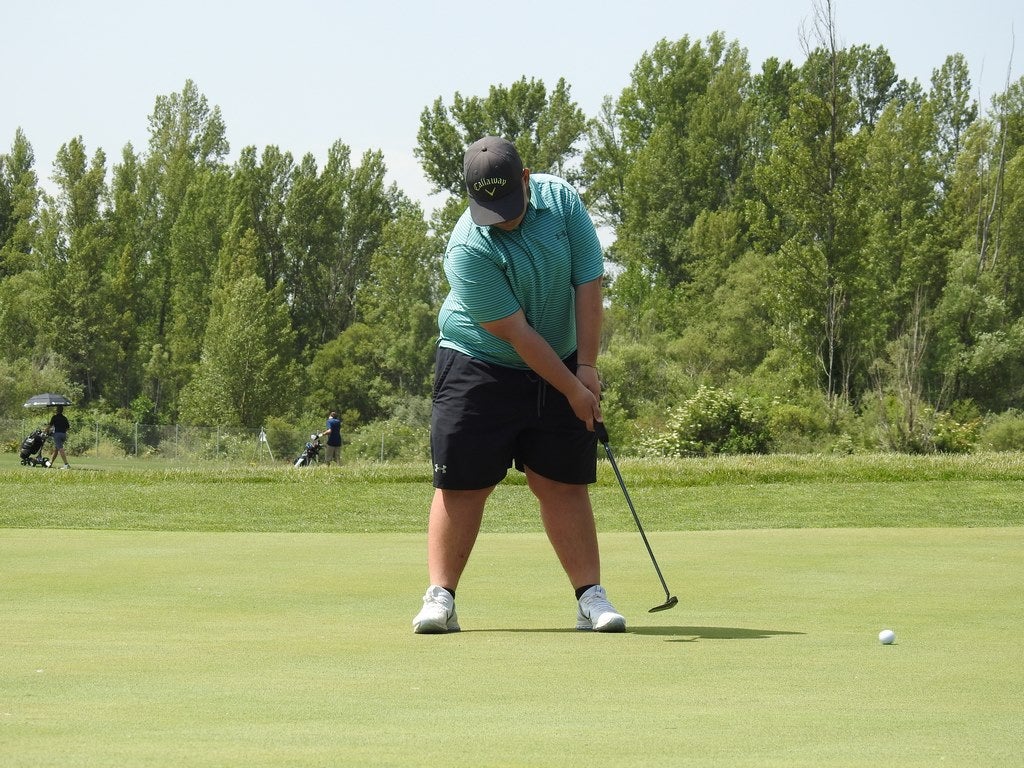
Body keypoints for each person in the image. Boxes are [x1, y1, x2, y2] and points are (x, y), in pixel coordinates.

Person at [412, 136, 625, 634]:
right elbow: (516, 334)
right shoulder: (466, 247)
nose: (502, 218)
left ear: (526, 180)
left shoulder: (563, 202)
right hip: (478, 361)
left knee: (561, 481)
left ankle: (589, 598)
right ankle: (441, 598)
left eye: (509, 203)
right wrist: (573, 391)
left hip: (564, 353)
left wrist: (587, 369)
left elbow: (588, 282)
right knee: (463, 483)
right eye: (490, 208)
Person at [47, 405, 71, 469]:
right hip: (64, 435)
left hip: (57, 435)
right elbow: (68, 428)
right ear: (62, 411)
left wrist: (45, 431)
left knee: (60, 449)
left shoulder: (54, 417)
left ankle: (66, 464)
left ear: (56, 410)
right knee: (56, 449)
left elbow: (49, 426)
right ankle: (50, 463)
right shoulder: (64, 418)